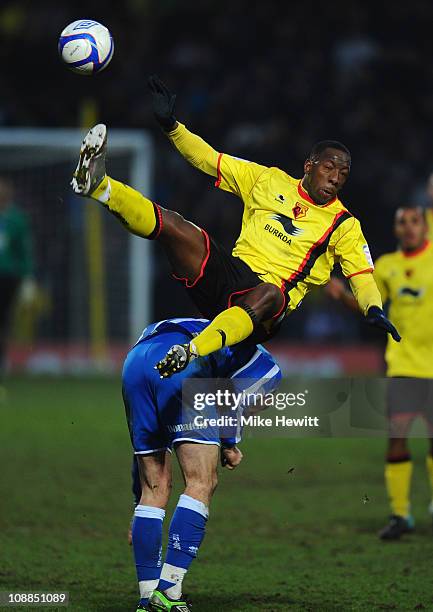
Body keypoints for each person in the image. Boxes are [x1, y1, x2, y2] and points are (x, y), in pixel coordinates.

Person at [71, 79, 400, 378]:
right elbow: (208, 159)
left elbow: (361, 276)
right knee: (177, 226)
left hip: (266, 311)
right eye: (329, 168)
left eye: (343, 175)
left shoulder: (344, 224)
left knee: (272, 292)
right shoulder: (267, 180)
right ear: (309, 165)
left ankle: (191, 351)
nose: (335, 179)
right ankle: (100, 186)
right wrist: (171, 126)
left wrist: (373, 308)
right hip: (230, 276)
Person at [122, 316, 281, 611]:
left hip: (136, 362)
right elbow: (234, 396)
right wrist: (231, 442)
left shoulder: (214, 325)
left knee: (153, 488)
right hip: (186, 369)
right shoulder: (268, 367)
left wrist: (137, 505)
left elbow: (142, 465)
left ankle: (147, 596)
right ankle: (169, 591)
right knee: (200, 481)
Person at [326, 205, 433, 540]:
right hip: (403, 366)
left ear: (425, 225)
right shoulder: (386, 267)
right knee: (397, 439)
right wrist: (342, 294)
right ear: (396, 229)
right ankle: (401, 514)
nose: (410, 227)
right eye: (403, 222)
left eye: (415, 221)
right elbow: (370, 309)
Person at [0, 177, 35, 379]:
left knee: (4, 320)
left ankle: (3, 361)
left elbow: (24, 252)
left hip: (7, 277)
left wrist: (27, 278)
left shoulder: (16, 220)